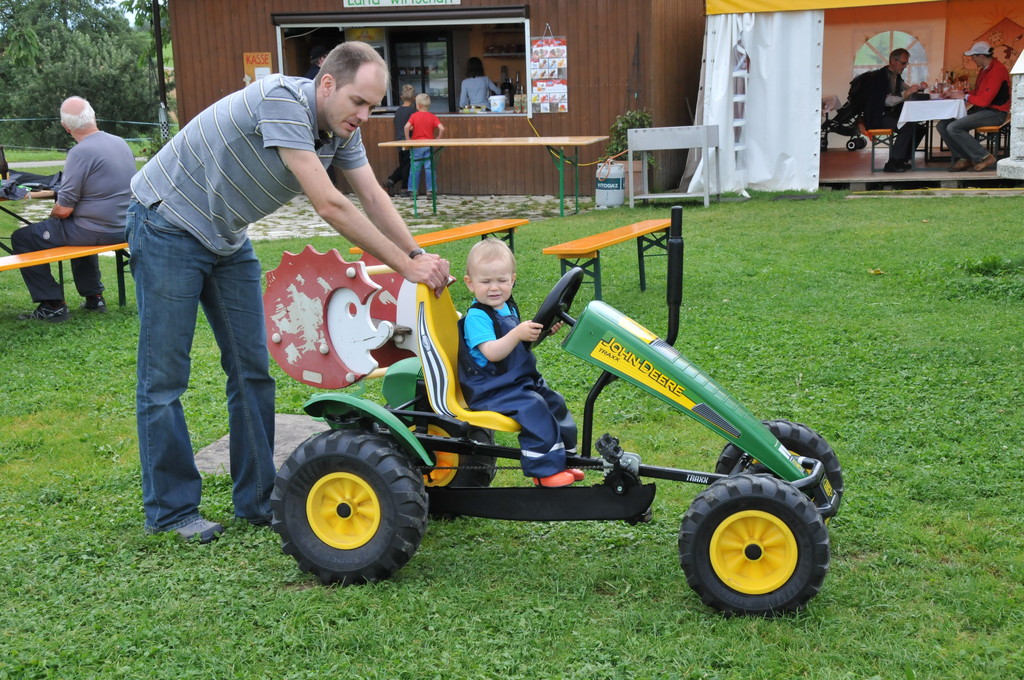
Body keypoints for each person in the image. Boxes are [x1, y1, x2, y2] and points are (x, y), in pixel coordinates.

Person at [126, 41, 451, 543]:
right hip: (166, 224)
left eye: (372, 106)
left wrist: (417, 255)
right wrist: (405, 267)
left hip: (226, 238)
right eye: (358, 102)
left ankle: (258, 498)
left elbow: (371, 195)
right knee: (165, 378)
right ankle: (171, 512)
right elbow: (330, 204)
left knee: (252, 370)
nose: (364, 116)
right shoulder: (281, 100)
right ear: (327, 84)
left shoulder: (340, 129)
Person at [457, 239, 582, 488]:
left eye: (502, 280)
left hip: (517, 382)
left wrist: (543, 331)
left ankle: (566, 458)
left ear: (512, 280)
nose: (495, 288)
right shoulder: (477, 317)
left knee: (554, 402)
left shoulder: (507, 308)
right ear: (470, 283)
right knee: (534, 407)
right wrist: (517, 333)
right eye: (486, 281)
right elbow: (492, 352)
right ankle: (544, 470)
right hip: (492, 388)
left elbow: (519, 346)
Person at [12, 96, 136, 322]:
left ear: (65, 127)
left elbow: (63, 210)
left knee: (23, 237)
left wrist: (51, 217)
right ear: (93, 116)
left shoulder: (79, 153)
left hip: (96, 230)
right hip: (125, 226)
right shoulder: (120, 142)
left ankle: (52, 305)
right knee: (76, 228)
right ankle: (94, 297)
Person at [938, 41, 1011, 173]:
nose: (972, 59)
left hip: (996, 113)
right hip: (985, 110)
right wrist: (958, 93)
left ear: (981, 56)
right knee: (942, 125)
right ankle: (963, 158)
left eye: (973, 56)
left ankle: (984, 157)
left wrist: (964, 96)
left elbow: (984, 101)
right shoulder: (985, 69)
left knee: (953, 127)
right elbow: (978, 93)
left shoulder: (997, 70)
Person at [857, 48, 928, 173]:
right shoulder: (879, 77)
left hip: (890, 115)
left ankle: (903, 159)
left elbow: (907, 91)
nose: (905, 66)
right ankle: (892, 162)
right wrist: (907, 92)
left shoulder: (896, 77)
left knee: (920, 128)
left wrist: (920, 88)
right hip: (877, 117)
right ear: (893, 61)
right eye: (903, 63)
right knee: (906, 126)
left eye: (906, 63)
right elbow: (886, 100)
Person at [404, 93, 444, 197]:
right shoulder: (432, 116)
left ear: (418, 105)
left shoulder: (414, 116)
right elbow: (442, 128)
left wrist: (408, 139)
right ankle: (431, 191)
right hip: (429, 144)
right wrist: (438, 138)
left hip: (416, 145)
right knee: (429, 168)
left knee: (415, 168)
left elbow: (406, 127)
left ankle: (413, 191)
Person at [382, 84, 416, 197]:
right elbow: (413, 127)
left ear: (401, 97)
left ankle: (391, 181)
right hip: (409, 141)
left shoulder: (398, 111)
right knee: (407, 166)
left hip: (399, 141)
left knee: (403, 165)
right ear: (414, 98)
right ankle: (403, 188)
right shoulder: (412, 112)